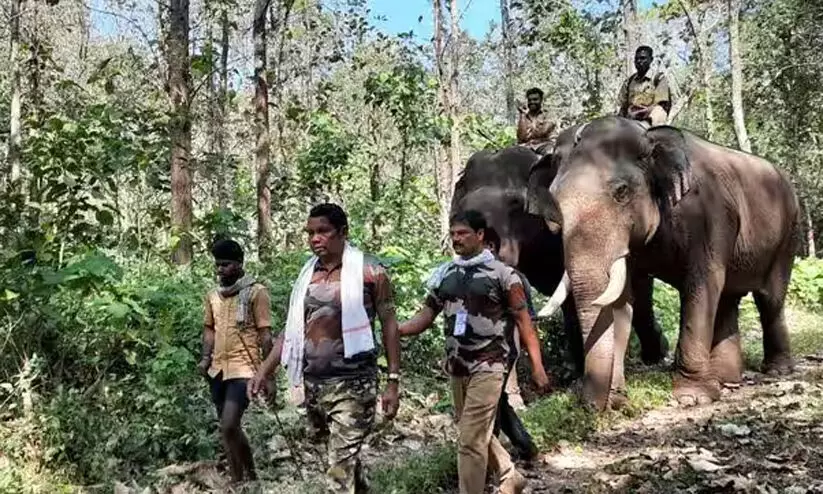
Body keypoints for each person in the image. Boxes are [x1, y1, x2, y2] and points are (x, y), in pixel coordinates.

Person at [248, 203, 401, 494]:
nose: (315, 238)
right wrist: (264, 371)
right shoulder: (308, 275)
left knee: (337, 475)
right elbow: (292, 331)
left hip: (354, 385)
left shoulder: (370, 271)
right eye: (310, 233)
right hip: (315, 384)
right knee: (340, 459)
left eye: (323, 231)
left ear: (343, 232)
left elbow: (390, 324)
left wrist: (393, 381)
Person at [399, 210, 551, 494]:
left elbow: (524, 322)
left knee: (470, 440)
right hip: (457, 367)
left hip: (489, 365)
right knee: (473, 430)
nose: (456, 239)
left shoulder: (504, 275)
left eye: (463, 233)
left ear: (480, 235)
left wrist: (537, 367)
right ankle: (509, 474)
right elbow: (426, 315)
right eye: (453, 234)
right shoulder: (446, 274)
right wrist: (397, 329)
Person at [198, 238, 273, 483]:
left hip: (244, 369)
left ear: (239, 264)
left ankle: (244, 478)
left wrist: (268, 375)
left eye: (226, 264)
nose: (220, 270)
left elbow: (265, 334)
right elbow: (209, 329)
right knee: (227, 428)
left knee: (229, 424)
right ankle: (242, 480)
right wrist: (205, 358)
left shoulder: (256, 292)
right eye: (217, 265)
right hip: (217, 369)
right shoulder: (213, 295)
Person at [618, 46, 672, 127]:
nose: (639, 61)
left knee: (659, 111)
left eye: (643, 58)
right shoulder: (629, 81)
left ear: (651, 59)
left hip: (650, 117)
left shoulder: (658, 78)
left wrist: (646, 112)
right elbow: (622, 106)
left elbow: (662, 104)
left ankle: (651, 130)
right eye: (636, 59)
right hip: (631, 118)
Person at [516, 87, 556, 154]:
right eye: (529, 100)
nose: (532, 102)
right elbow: (521, 137)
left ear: (541, 100)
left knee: (550, 153)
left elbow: (542, 132)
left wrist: (529, 135)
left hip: (544, 144)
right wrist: (522, 114)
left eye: (535, 99)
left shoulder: (549, 114)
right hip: (526, 146)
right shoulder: (524, 116)